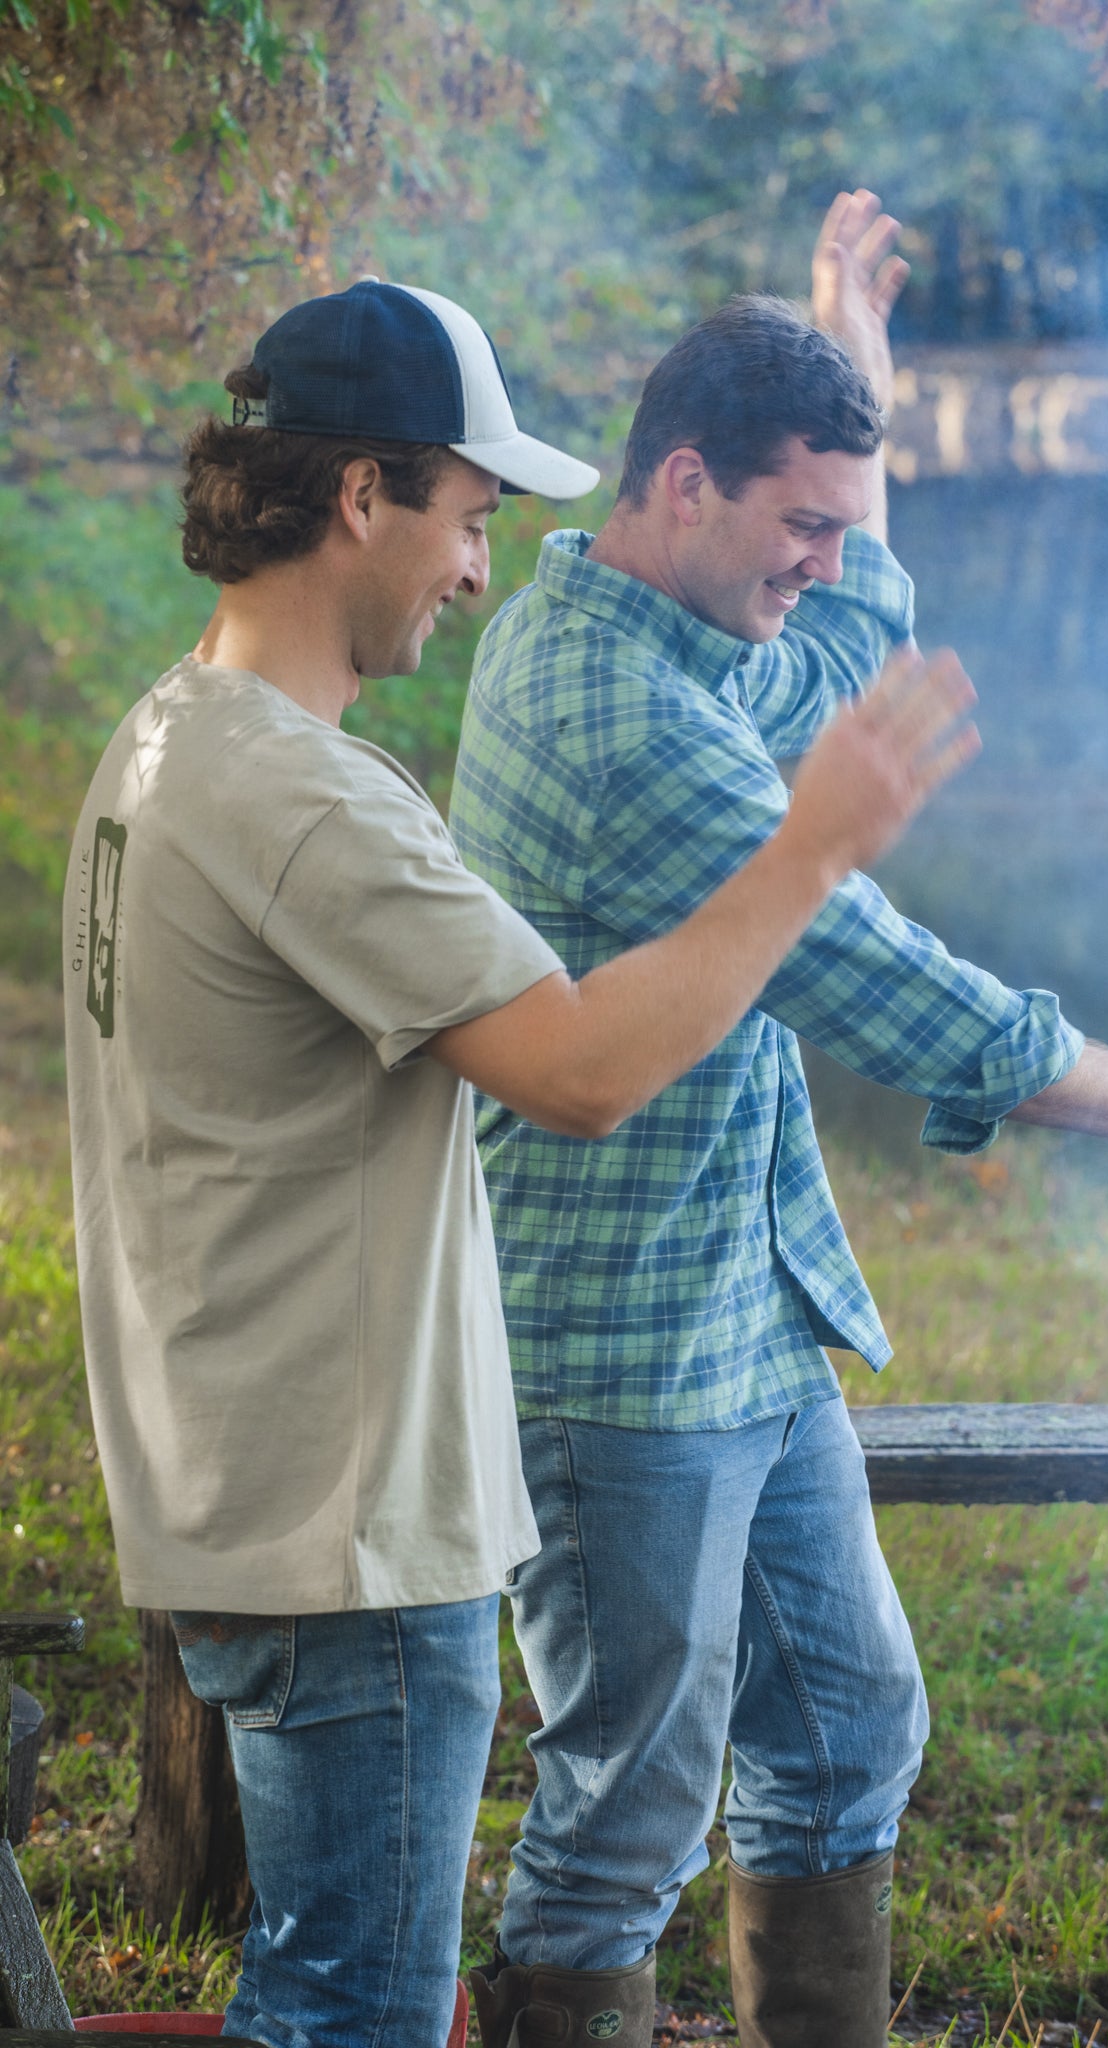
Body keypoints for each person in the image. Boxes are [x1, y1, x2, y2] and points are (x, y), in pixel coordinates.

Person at [61, 275, 984, 2048]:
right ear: (361, 498)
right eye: (471, 518)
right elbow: (577, 1070)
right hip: (349, 1528)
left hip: (242, 1486)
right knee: (355, 2016)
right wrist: (807, 852)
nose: (477, 571)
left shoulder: (164, 746)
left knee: (329, 1996)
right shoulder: (299, 798)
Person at [448, 192, 1108, 2048]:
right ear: (683, 481)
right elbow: (894, 991)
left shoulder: (675, 624)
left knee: (848, 1731)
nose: (829, 562)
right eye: (801, 523)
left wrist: (859, 342)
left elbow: (842, 656)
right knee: (623, 1822)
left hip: (745, 1318)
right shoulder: (624, 724)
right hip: (618, 1362)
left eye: (846, 519)